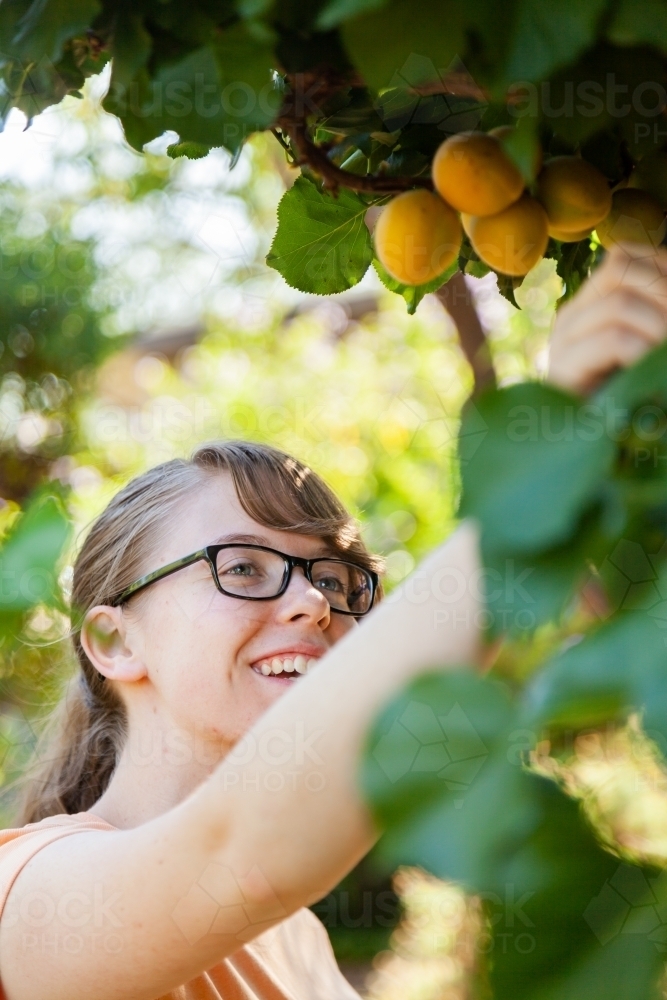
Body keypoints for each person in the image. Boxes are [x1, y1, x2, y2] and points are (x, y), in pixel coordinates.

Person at [0, 243, 666, 1000]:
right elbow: (240, 860)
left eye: (337, 578)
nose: (316, 604)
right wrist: (544, 474)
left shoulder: (297, 940)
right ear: (115, 640)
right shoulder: (25, 892)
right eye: (243, 568)